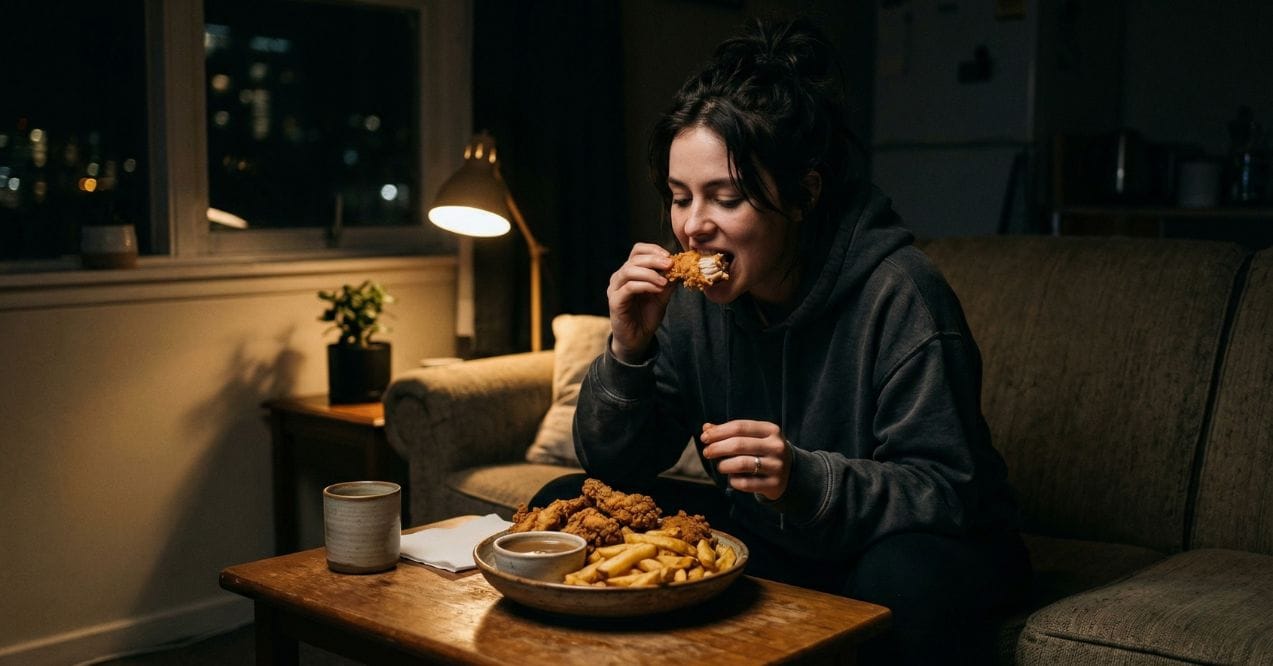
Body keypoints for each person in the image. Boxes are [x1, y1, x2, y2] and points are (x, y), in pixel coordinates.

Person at [529, 15, 1030, 664]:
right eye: (679, 197)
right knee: (559, 504)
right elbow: (617, 466)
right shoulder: (694, 305)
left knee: (898, 579)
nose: (693, 227)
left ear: (801, 195)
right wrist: (628, 350)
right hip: (777, 536)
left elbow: (947, 489)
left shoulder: (900, 291)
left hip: (930, 547)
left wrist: (802, 478)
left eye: (725, 197)